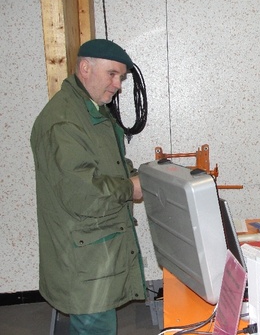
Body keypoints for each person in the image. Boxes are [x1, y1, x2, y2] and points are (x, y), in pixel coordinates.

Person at [30, 39, 146, 335]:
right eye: (112, 74)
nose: (118, 84)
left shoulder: (89, 110)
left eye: (120, 77)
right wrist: (129, 188)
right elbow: (83, 195)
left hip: (93, 248)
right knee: (95, 328)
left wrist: (138, 175)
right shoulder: (65, 121)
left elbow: (106, 163)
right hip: (85, 256)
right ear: (85, 67)